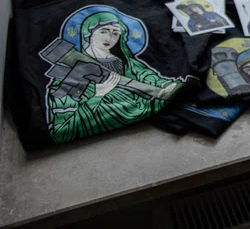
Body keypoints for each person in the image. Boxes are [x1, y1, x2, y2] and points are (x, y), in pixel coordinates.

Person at [45, 9, 182, 144]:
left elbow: (150, 78)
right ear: (88, 33)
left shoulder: (128, 62)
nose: (109, 38)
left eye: (115, 33)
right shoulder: (71, 72)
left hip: (143, 116)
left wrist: (164, 87)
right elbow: (61, 130)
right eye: (103, 31)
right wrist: (98, 95)